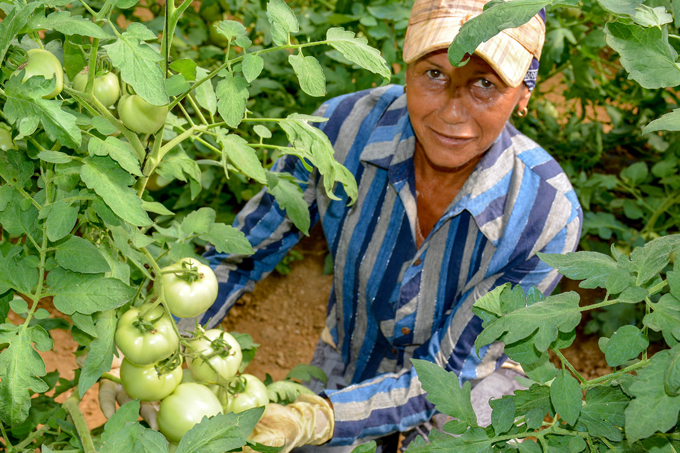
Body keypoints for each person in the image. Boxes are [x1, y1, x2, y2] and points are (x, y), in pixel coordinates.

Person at [191, 0, 582, 451]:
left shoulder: (544, 216)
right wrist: (163, 339)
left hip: (469, 389)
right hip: (350, 357)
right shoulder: (341, 130)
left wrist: (320, 417)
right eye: (434, 74)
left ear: (524, 92)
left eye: (484, 84)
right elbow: (241, 252)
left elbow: (449, 373)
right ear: (407, 64)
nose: (452, 114)